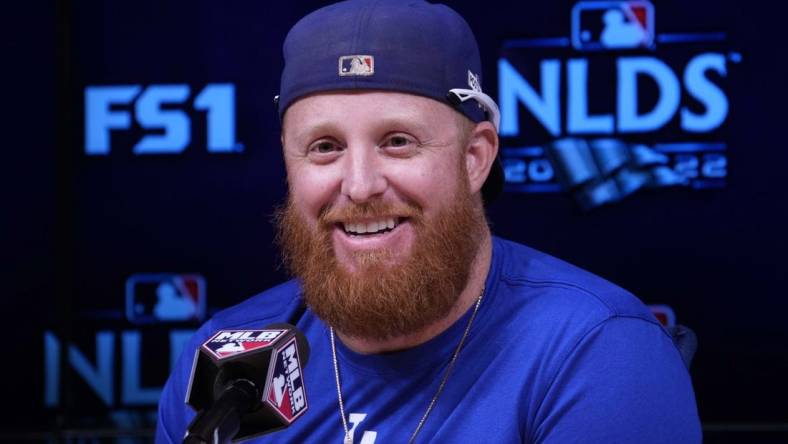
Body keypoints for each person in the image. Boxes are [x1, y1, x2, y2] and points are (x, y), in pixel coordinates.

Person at [156, 1, 701, 442]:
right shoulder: (226, 359)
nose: (361, 184)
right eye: (324, 147)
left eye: (399, 142)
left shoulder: (594, 352)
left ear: (475, 158)